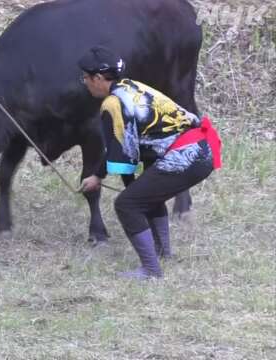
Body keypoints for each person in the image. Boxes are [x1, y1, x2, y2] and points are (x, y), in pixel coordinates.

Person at [77, 46, 221, 280]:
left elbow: (124, 156)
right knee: (144, 196)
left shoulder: (113, 104)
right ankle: (164, 254)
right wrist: (129, 186)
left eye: (85, 77)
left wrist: (97, 177)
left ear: (99, 78)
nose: (84, 82)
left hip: (187, 155)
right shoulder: (131, 87)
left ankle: (152, 271)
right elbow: (130, 150)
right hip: (202, 150)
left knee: (128, 204)